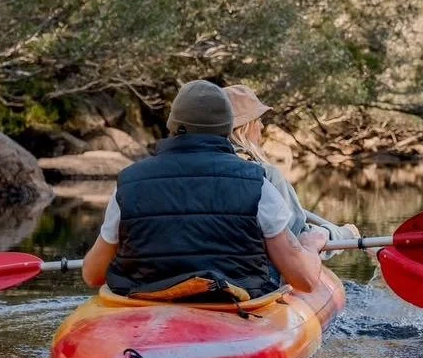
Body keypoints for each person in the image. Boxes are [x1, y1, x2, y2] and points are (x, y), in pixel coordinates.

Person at [81, 80, 329, 300]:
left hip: (146, 304)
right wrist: (309, 245)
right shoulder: (257, 183)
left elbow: (92, 274)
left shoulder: (128, 184)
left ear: (172, 125)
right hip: (232, 304)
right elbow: (304, 281)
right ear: (227, 128)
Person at [223, 84, 359, 254]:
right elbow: (299, 240)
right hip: (258, 274)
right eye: (258, 120)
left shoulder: (194, 171)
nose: (262, 127)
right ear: (245, 127)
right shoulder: (263, 175)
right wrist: (344, 234)